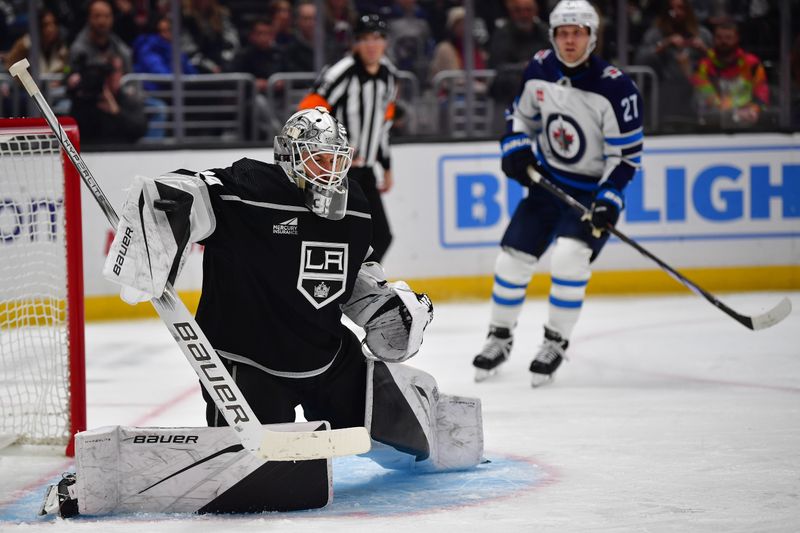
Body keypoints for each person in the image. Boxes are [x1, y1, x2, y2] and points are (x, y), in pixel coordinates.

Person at [40, 107, 483, 517]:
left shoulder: (356, 207)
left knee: (411, 434)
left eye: (337, 159)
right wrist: (161, 218)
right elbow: (191, 189)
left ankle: (429, 428)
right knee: (259, 478)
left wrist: (383, 306)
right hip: (248, 364)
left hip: (327, 358)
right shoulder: (249, 187)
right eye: (317, 159)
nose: (330, 172)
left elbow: (354, 271)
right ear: (290, 158)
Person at [472, 0, 643, 387]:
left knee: (569, 259)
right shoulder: (539, 68)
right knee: (510, 262)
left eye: (577, 33)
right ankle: (499, 337)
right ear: (553, 35)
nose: (569, 40)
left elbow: (627, 157)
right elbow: (520, 117)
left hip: (588, 193)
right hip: (546, 186)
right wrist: (515, 145)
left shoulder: (616, 88)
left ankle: (555, 341)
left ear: (592, 36)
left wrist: (609, 197)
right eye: (563, 33)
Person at [299, 14, 398, 264]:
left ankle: (354, 289)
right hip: (336, 172)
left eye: (376, 38)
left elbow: (382, 127)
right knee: (337, 234)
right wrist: (329, 151)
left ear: (385, 42)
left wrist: (386, 166)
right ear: (355, 43)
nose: (371, 45)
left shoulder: (389, 76)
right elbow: (308, 114)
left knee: (381, 236)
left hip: (365, 172)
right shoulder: (341, 73)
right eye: (365, 39)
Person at [634, 0, 711, 131]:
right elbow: (640, 60)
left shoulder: (703, 35)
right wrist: (663, 45)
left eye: (680, 8)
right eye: (672, 8)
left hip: (694, 96)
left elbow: (719, 64)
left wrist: (705, 50)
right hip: (663, 95)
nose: (676, 12)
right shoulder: (655, 34)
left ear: (688, 11)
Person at [692, 19, 770, 130]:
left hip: (747, 124)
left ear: (737, 38)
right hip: (714, 125)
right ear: (714, 39)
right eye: (719, 38)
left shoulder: (752, 63)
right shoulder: (704, 65)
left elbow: (762, 95)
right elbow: (706, 97)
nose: (723, 42)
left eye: (728, 38)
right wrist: (733, 113)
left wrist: (754, 109)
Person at [69, 52, 148, 145]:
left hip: (121, 151)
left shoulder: (128, 99)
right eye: (107, 72)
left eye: (115, 71)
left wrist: (116, 112)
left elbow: (139, 130)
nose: (112, 76)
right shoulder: (87, 97)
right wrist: (76, 92)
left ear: (122, 73)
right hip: (89, 150)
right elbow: (76, 130)